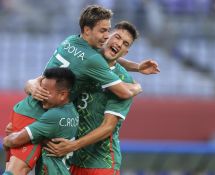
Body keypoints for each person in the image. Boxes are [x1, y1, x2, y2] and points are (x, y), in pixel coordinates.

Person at [44, 21, 143, 175]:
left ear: (125, 52)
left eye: (125, 44)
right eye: (117, 37)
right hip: (72, 159)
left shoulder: (124, 81)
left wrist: (73, 145)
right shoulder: (85, 61)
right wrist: (30, 84)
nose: (119, 43)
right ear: (107, 36)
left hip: (101, 163)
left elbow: (108, 127)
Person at [3, 67, 78, 175]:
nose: (40, 95)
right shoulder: (72, 112)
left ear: (62, 94)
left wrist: (6, 140)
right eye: (40, 89)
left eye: (46, 92)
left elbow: (15, 141)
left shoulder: (54, 115)